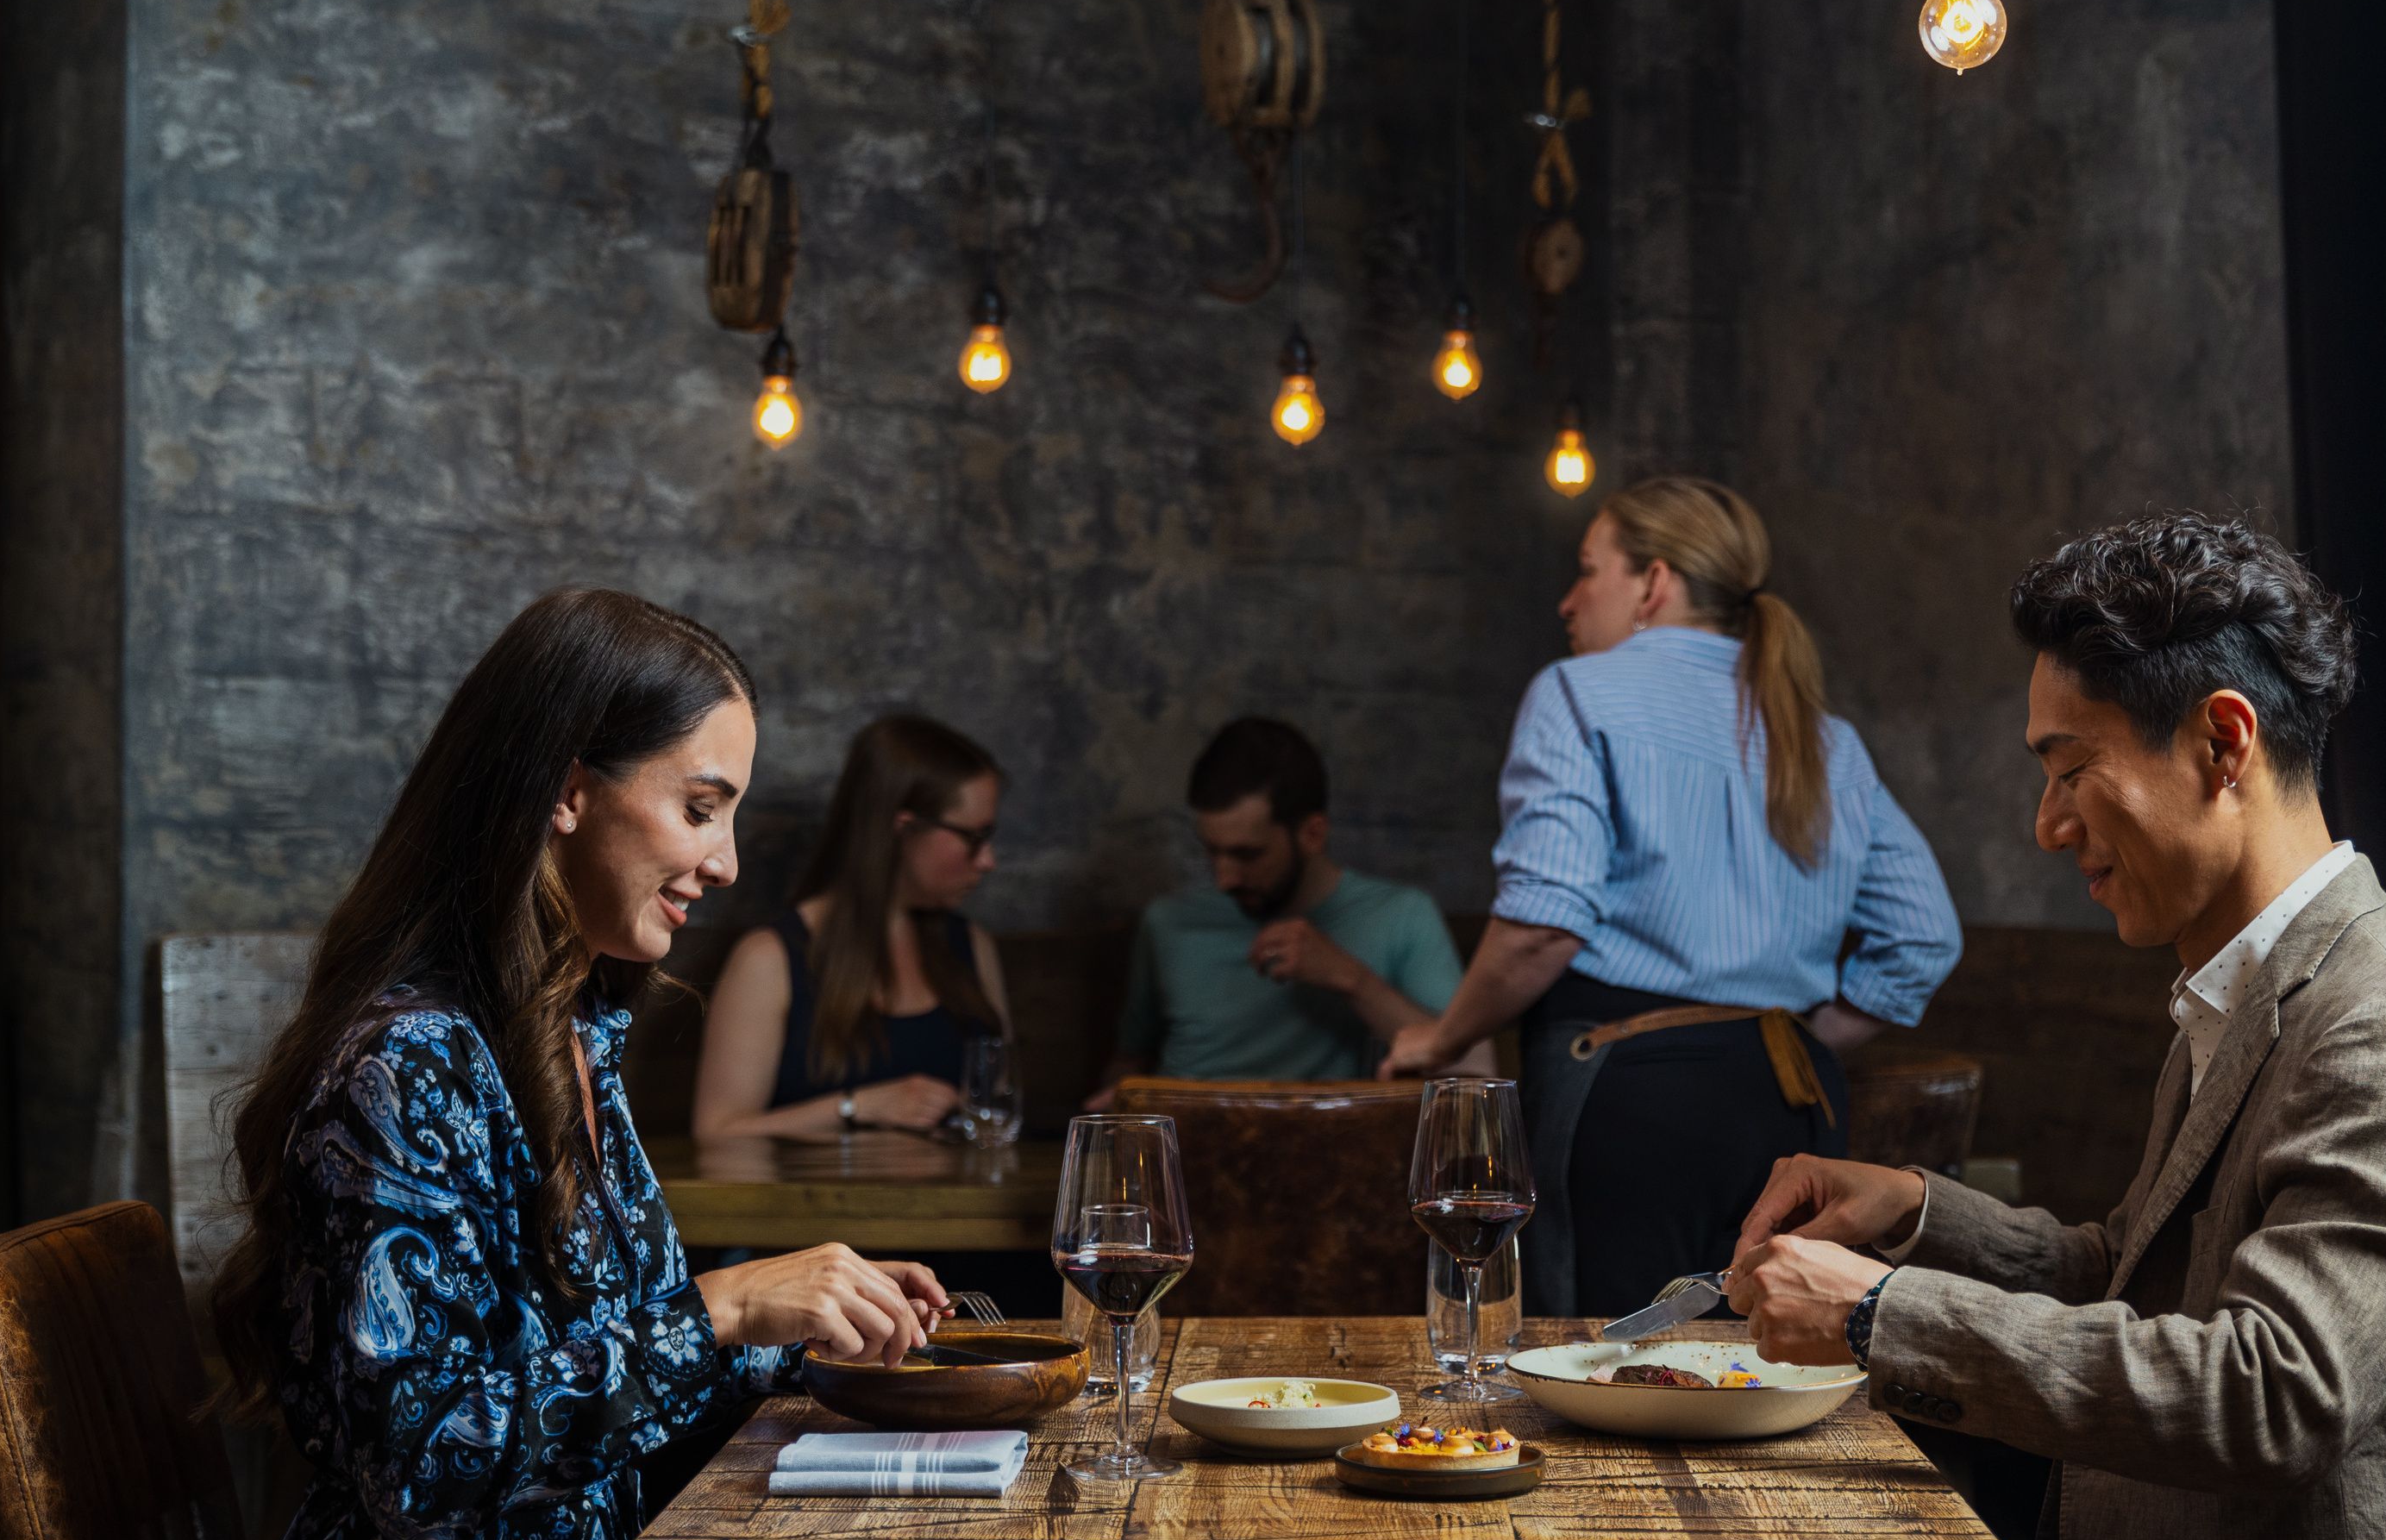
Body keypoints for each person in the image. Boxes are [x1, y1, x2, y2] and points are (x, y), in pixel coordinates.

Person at [1694, 514, 2386, 1540]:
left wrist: (1878, 1317)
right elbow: (2132, 1270)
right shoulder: (2254, 986)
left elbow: (2271, 1393)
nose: (2046, 824)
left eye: (2071, 769)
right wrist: (1919, 1213)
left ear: (2223, 742)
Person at [185, 589, 1037, 1540]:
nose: (728, 860)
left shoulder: (571, 1032)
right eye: (701, 807)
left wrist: (810, 1337)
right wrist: (726, 1308)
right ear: (566, 792)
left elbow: (610, 1362)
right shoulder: (403, 1068)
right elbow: (420, 1464)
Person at [1380, 476, 1962, 1320]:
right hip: (1793, 1099)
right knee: (1765, 1371)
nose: (1567, 599)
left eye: (1588, 569)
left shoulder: (1578, 693)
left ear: (1654, 582)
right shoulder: (1826, 738)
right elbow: (1923, 939)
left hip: (1626, 1101)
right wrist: (1779, 1037)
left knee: (1603, 1363)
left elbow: (1543, 927)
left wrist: (1442, 1035)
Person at [1093, 717, 1468, 1098]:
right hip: (1183, 1145)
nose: (1225, 879)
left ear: (1312, 834)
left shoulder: (1401, 916)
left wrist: (1351, 979)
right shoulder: (1167, 924)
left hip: (1330, 1142)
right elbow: (1129, 1061)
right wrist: (1113, 1103)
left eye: (1247, 855)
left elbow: (1463, 1075)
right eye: (1212, 851)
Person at [696, 715, 1014, 1142]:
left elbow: (1001, 1108)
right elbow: (716, 1132)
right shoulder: (769, 958)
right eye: (974, 837)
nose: (987, 860)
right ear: (903, 829)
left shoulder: (972, 947)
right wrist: (858, 1106)